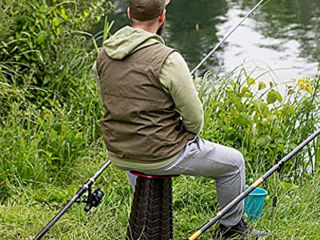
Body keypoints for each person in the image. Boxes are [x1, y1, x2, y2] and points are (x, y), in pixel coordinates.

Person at [95, 0, 268, 238]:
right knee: (234, 163)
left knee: (140, 152)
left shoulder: (104, 54)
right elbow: (195, 119)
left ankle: (146, 215)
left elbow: (112, 102)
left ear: (128, 13)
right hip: (161, 155)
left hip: (119, 152)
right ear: (162, 17)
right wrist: (185, 136)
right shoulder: (168, 59)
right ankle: (231, 228)